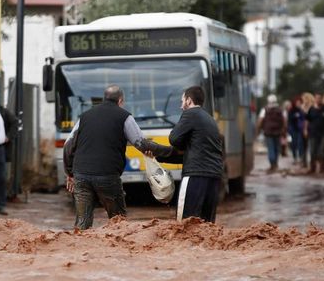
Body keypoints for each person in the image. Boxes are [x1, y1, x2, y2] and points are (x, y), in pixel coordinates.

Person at [63, 85, 172, 230]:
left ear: (104, 98)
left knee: (82, 223)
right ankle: (117, 252)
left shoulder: (85, 117)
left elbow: (67, 146)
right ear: (120, 100)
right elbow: (142, 144)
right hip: (107, 176)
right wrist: (172, 151)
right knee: (118, 222)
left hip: (81, 175)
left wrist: (70, 173)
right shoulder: (124, 116)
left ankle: (80, 250)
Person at [157, 86, 224, 223]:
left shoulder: (191, 114)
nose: (181, 106)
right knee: (207, 225)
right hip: (214, 177)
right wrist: (158, 155)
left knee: (185, 224)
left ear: (188, 100)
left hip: (195, 176)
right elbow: (196, 151)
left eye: (182, 101)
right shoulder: (210, 119)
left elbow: (174, 139)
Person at [304, 93, 324, 174]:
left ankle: (322, 168)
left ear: (321, 99)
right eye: (317, 98)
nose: (318, 100)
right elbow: (307, 120)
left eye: (320, 98)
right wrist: (305, 130)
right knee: (312, 150)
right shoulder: (311, 109)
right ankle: (312, 167)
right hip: (313, 133)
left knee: (323, 150)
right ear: (314, 99)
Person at [256, 94, 286, 173]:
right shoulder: (280, 110)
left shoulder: (264, 109)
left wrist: (259, 130)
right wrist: (283, 130)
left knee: (271, 148)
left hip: (268, 132)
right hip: (278, 132)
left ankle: (272, 165)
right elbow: (284, 121)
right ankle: (275, 164)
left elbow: (260, 121)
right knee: (276, 148)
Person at [287, 97, 305, 165]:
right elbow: (289, 120)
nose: (298, 104)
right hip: (293, 130)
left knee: (300, 143)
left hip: (300, 130)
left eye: (299, 103)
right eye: (297, 103)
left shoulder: (302, 110)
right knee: (293, 144)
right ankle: (295, 157)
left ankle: (301, 157)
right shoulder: (291, 111)